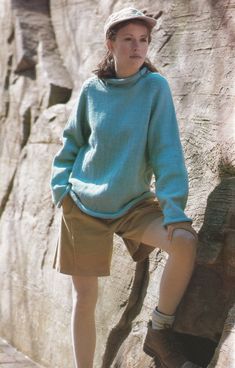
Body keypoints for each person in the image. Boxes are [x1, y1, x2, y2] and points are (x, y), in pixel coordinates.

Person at [50, 7, 199, 368]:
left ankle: (159, 329)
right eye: (129, 40)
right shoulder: (92, 90)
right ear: (111, 43)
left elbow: (166, 152)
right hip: (83, 205)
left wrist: (174, 211)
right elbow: (72, 144)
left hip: (133, 203)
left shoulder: (154, 88)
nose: (137, 48)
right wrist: (61, 190)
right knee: (85, 299)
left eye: (143, 40)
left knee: (184, 242)